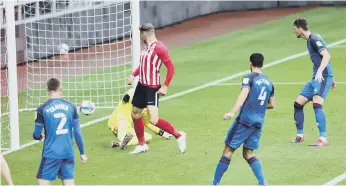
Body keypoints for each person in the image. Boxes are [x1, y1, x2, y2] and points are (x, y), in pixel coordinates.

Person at [211, 53, 275, 185]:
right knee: (248, 154)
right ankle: (263, 182)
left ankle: (215, 183)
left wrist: (232, 112)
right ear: (262, 64)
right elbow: (272, 104)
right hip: (258, 122)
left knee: (228, 150)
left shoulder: (249, 78)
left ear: (250, 63)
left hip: (245, 121)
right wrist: (257, 106)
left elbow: (243, 95)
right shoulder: (269, 82)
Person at [128, 23, 186, 154]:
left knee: (153, 119)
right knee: (135, 114)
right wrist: (133, 74)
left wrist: (165, 86)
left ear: (144, 34)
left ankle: (179, 135)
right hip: (141, 86)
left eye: (140, 35)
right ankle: (142, 144)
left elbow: (171, 67)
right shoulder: (146, 47)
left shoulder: (159, 48)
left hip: (152, 88)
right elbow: (143, 65)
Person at [33, 78, 87, 185]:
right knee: (69, 183)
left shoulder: (42, 109)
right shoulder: (71, 107)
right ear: (60, 88)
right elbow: (77, 132)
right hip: (68, 152)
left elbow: (36, 135)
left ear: (47, 89)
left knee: (42, 182)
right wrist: (82, 153)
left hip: (51, 153)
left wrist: (40, 137)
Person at [291, 17, 336, 146]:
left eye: (295, 29)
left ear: (300, 28)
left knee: (317, 104)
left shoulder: (314, 39)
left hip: (322, 76)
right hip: (317, 78)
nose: (294, 32)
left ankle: (323, 139)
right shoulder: (310, 40)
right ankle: (300, 136)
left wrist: (322, 72)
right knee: (298, 104)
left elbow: (327, 55)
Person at [108, 88, 172, 149]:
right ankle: (123, 139)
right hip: (117, 121)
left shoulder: (145, 108)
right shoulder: (133, 93)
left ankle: (120, 143)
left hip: (128, 128)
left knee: (148, 137)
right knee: (123, 123)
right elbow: (126, 97)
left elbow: (148, 123)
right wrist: (127, 97)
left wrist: (162, 133)